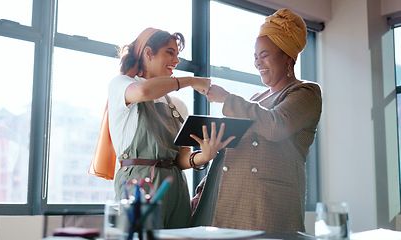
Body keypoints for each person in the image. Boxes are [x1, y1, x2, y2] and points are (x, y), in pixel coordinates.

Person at [197, 9, 323, 233]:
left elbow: (275, 126)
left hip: (266, 205)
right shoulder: (256, 99)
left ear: (287, 56)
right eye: (255, 57)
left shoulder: (306, 92)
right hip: (230, 198)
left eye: (264, 55)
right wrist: (203, 191)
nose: (257, 63)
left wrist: (227, 98)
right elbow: (233, 146)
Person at [107, 27, 234, 229]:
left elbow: (181, 159)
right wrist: (191, 80)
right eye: (170, 52)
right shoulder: (122, 85)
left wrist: (204, 156)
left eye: (177, 54)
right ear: (148, 53)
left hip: (176, 187)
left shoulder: (177, 105)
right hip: (140, 184)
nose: (176, 61)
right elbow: (143, 90)